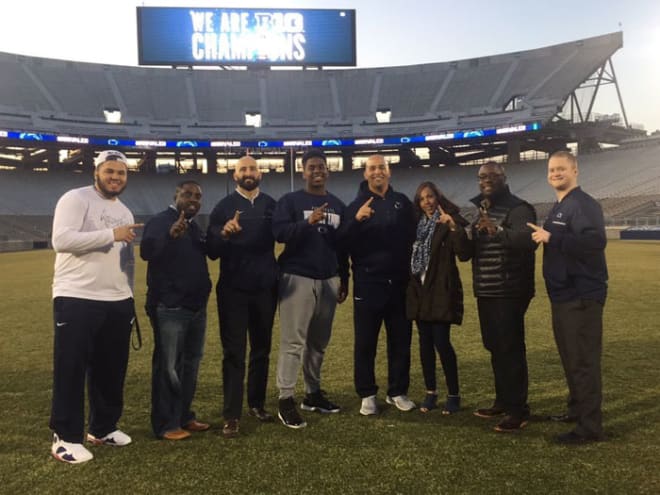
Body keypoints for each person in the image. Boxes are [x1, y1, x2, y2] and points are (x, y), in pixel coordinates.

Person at [50, 150, 142, 464]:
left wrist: (129, 296)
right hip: (77, 296)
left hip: (116, 301)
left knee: (110, 370)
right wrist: (110, 234)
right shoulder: (75, 199)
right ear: (96, 172)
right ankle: (65, 437)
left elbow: (124, 260)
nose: (115, 177)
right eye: (110, 171)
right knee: (71, 369)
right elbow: (61, 240)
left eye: (121, 173)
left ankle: (103, 428)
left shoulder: (126, 212)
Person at [528, 150, 607, 445]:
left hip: (581, 295)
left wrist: (552, 238)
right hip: (563, 296)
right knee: (571, 358)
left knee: (583, 361)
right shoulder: (561, 205)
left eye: (561, 169)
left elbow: (595, 242)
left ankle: (590, 427)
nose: (555, 174)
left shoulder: (583, 205)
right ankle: (577, 410)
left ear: (575, 170)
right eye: (551, 170)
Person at [272, 148, 348, 429]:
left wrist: (344, 278)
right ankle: (286, 398)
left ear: (328, 171)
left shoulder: (338, 204)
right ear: (303, 171)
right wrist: (307, 222)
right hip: (297, 276)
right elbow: (278, 233)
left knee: (319, 343)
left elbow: (342, 247)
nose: (317, 171)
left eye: (322, 167)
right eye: (312, 167)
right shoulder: (290, 201)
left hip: (329, 279)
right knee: (293, 342)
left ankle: (312, 393)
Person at [207, 155, 279, 438]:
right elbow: (211, 250)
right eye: (243, 169)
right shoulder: (223, 207)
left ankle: (257, 404)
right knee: (234, 352)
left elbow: (285, 234)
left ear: (260, 173)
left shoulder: (272, 204)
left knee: (262, 348)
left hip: (265, 288)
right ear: (234, 174)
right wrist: (224, 233)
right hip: (233, 289)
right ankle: (231, 414)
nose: (248, 173)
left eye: (252, 168)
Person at [342, 154, 416, 416]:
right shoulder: (353, 206)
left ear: (389, 171)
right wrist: (357, 220)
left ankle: (397, 391)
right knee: (365, 343)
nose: (377, 172)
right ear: (365, 173)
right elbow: (342, 243)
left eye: (381, 167)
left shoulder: (402, 202)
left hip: (399, 284)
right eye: (372, 168)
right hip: (368, 283)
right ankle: (367, 394)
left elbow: (414, 237)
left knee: (400, 341)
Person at [467, 161, 538, 433]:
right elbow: (472, 250)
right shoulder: (481, 211)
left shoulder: (519, 208)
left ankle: (518, 410)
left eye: (492, 175)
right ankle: (503, 400)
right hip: (486, 288)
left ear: (504, 178)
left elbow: (528, 240)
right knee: (495, 347)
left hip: (510, 290)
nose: (486, 180)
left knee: (510, 349)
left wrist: (496, 231)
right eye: (482, 176)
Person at [140, 180, 212, 441]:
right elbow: (147, 252)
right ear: (176, 195)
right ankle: (165, 423)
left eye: (198, 196)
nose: (193, 199)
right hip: (170, 305)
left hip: (195, 307)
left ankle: (184, 415)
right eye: (188, 194)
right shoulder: (161, 221)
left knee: (190, 364)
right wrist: (169, 236)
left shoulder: (194, 227)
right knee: (168, 366)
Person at [406, 182, 471, 414]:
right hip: (419, 291)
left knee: (442, 343)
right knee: (425, 344)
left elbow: (464, 253)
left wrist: (453, 227)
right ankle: (430, 392)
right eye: (422, 198)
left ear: (438, 197)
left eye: (430, 196)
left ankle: (453, 394)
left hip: (441, 291)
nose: (427, 202)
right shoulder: (416, 225)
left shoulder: (447, 221)